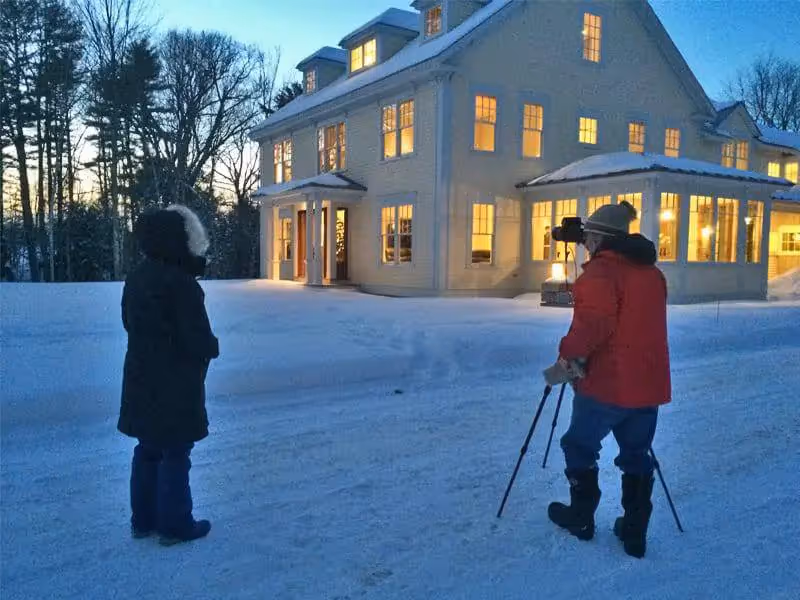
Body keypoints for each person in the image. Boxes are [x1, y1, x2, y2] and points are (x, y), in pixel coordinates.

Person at [544, 201, 671, 559]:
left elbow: (592, 327)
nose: (586, 244)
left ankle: (581, 517)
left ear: (602, 239)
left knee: (579, 445)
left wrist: (567, 352)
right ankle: (635, 532)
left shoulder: (601, 274)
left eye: (591, 237)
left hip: (608, 384)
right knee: (636, 453)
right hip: (648, 385)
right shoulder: (652, 274)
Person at [118, 204, 220, 546]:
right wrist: (211, 347)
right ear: (180, 240)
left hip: (141, 376)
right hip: (175, 382)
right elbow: (196, 338)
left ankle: (143, 521)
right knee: (176, 450)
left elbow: (129, 324)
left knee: (147, 448)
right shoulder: (182, 284)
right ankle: (175, 525)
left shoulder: (137, 277)